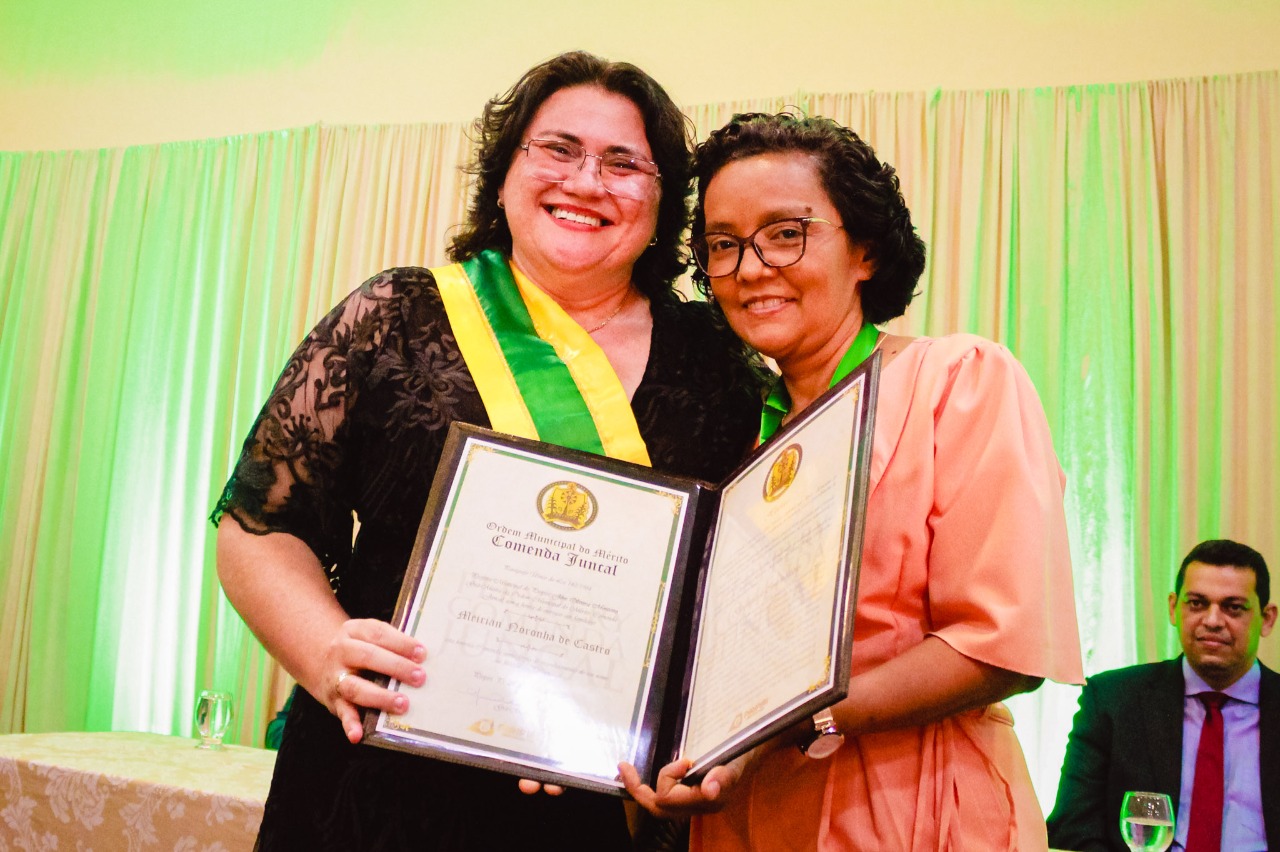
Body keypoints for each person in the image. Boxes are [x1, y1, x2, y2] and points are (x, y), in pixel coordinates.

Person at [211, 52, 765, 851]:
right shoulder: (396, 315)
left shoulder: (716, 360)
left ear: (662, 201)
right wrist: (325, 648)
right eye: (558, 149)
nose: (586, 181)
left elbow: (739, 581)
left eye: (623, 163)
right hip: (381, 781)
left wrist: (711, 736)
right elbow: (260, 526)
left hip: (602, 801)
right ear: (504, 175)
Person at [620, 112, 1085, 851]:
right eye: (723, 244)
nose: (750, 269)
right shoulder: (736, 431)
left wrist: (797, 724)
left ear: (864, 248)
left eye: (785, 233)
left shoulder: (955, 381)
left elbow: (1000, 645)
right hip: (742, 812)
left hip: (915, 806)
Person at [1046, 539, 1279, 852]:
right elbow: (1072, 829)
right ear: (1173, 608)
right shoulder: (1113, 701)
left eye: (1233, 607)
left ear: (1267, 618)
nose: (1212, 621)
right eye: (1197, 603)